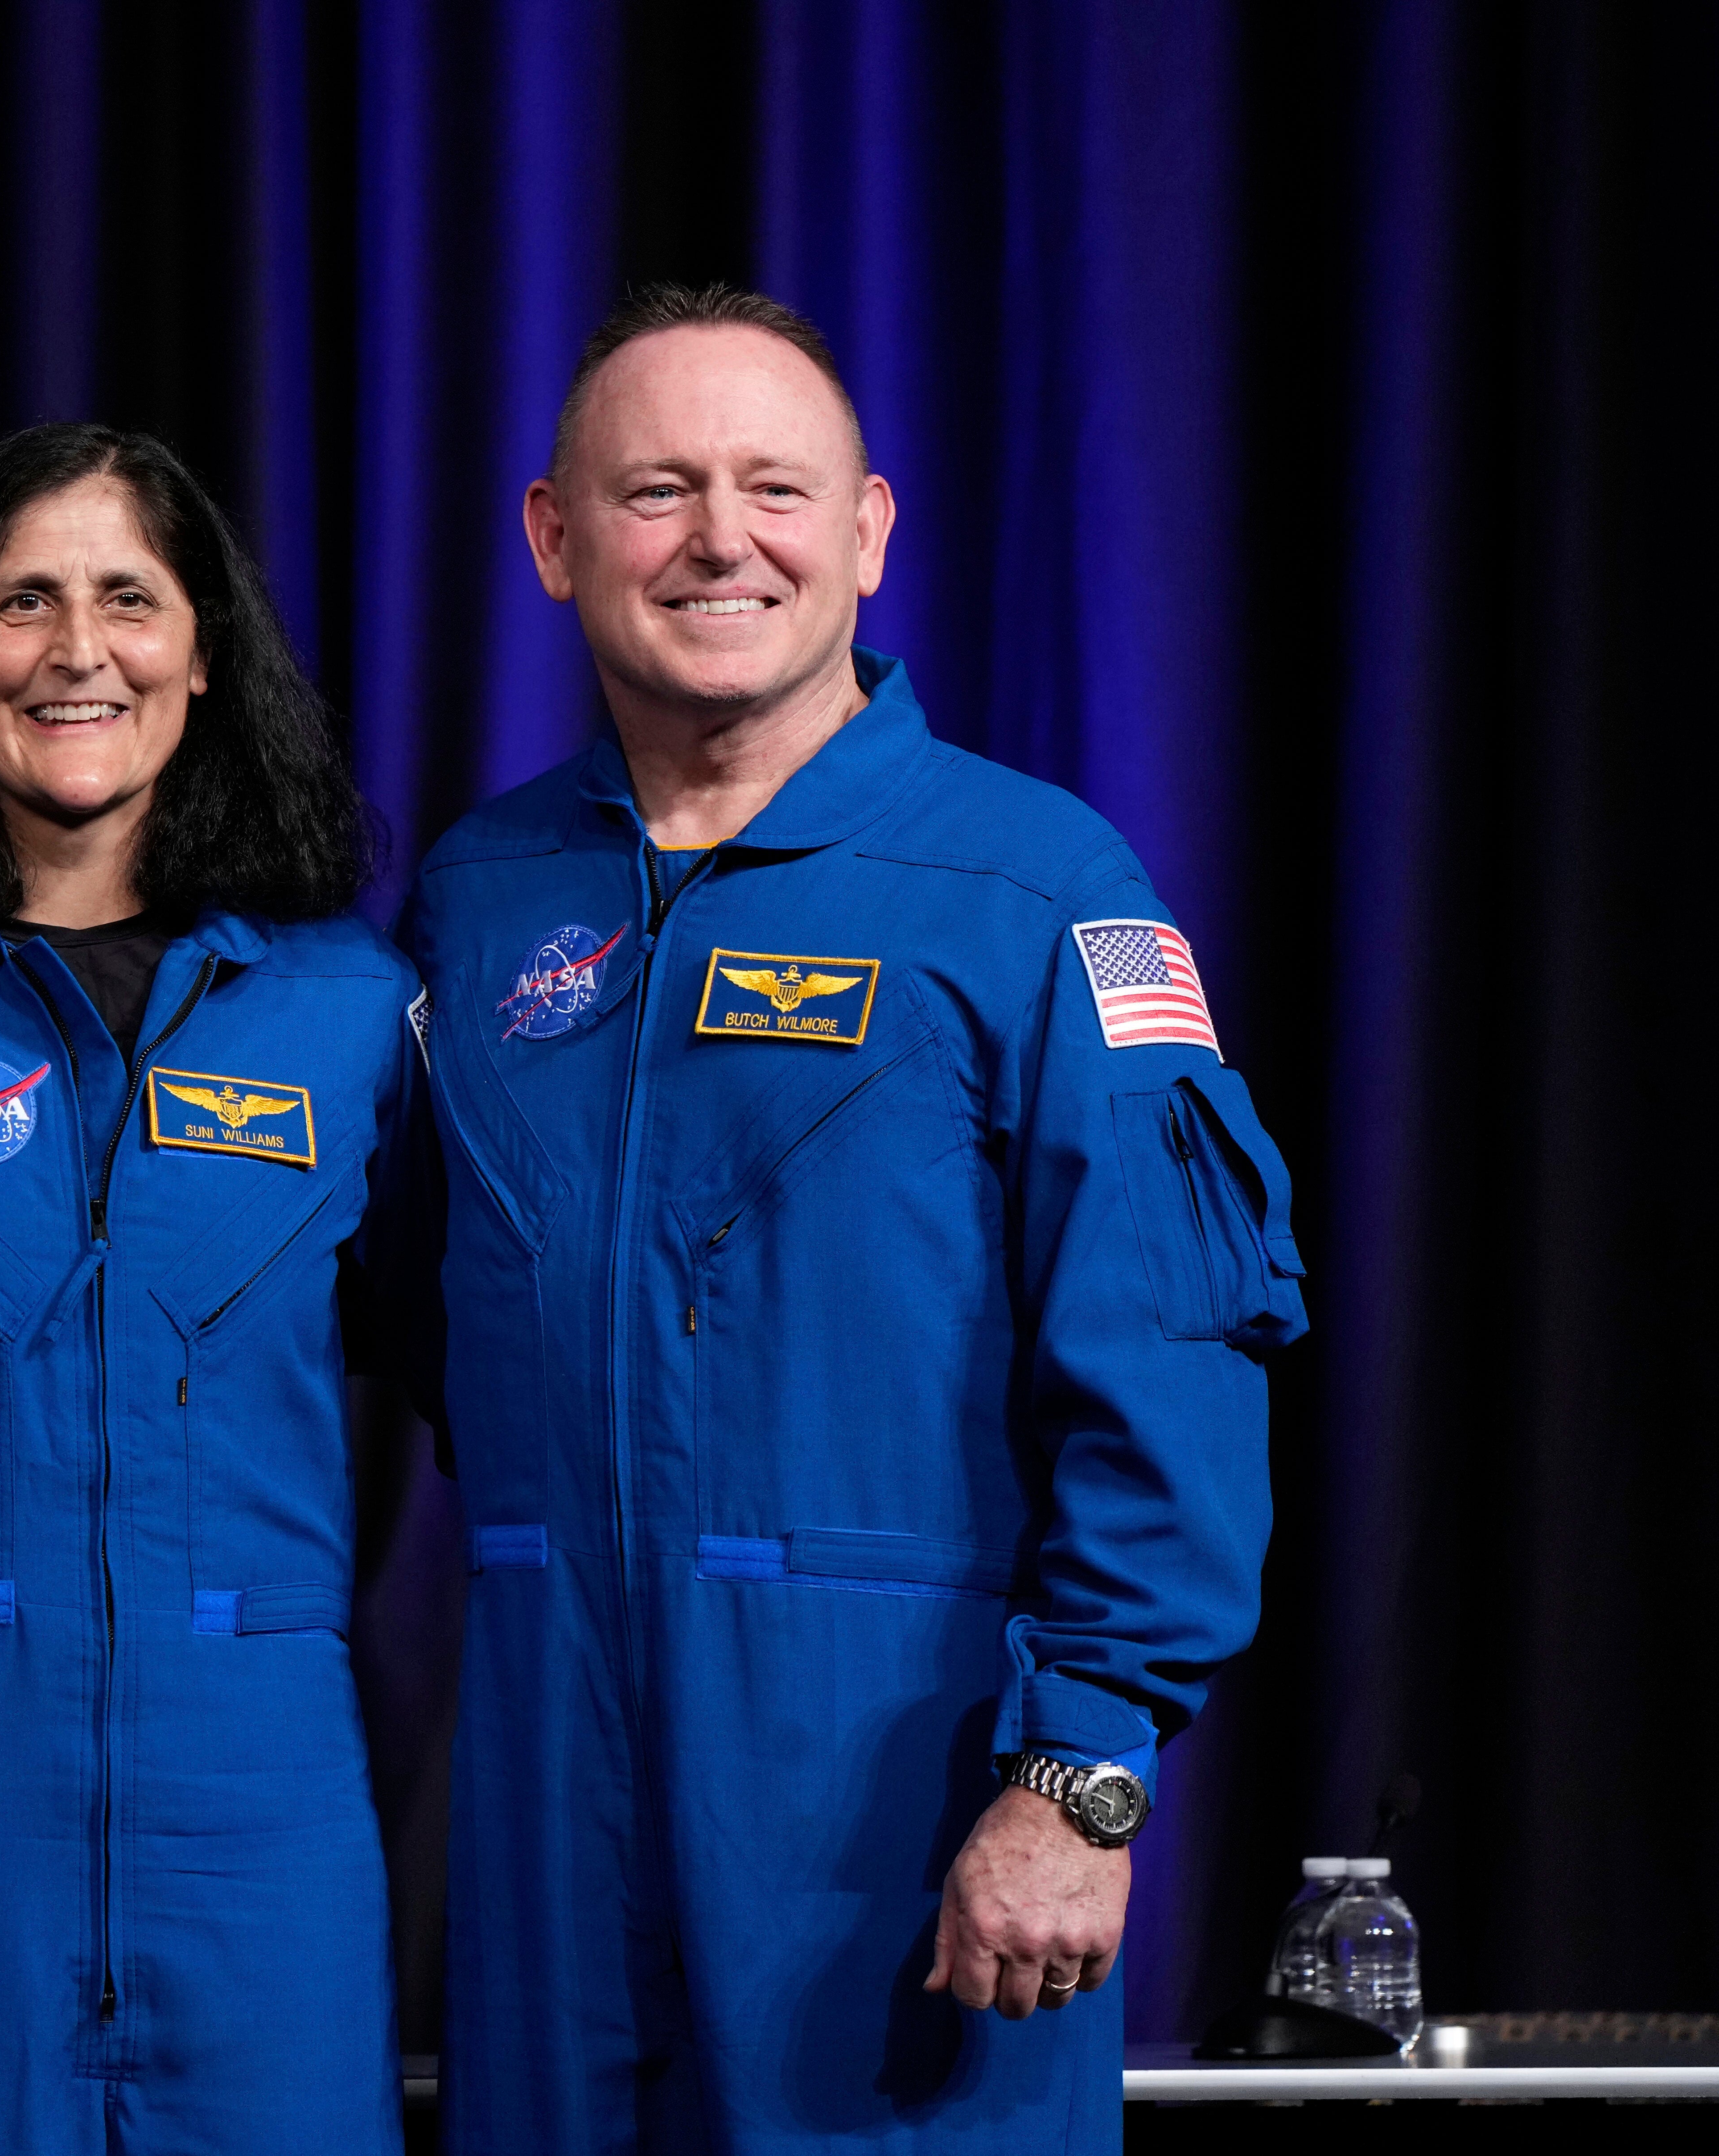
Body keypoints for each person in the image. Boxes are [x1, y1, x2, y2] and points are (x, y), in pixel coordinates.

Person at [401, 284, 1308, 2152]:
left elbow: (1169, 1366)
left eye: (774, 488)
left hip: (892, 1828)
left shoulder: (1032, 887)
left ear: (871, 534)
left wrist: (1080, 1779)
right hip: (543, 1826)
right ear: (554, 539)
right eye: (654, 490)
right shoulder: (479, 903)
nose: (718, 538)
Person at [0, 423, 424, 2155]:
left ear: (203, 657)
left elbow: (521, 1392)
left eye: (129, 596)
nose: (75, 647)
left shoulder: (348, 1014)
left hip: (259, 1825)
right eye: (21, 597)